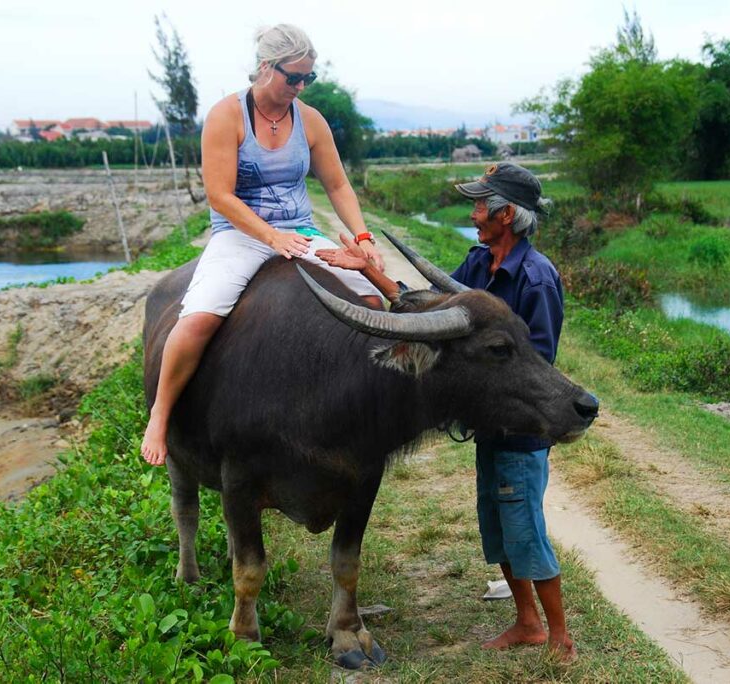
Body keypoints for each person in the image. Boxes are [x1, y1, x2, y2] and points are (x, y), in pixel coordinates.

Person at [316, 162, 575, 660]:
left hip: (519, 424)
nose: (474, 212)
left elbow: (537, 363)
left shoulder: (537, 279)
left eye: (481, 204)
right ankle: (527, 622)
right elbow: (428, 310)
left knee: (526, 530)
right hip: (488, 423)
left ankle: (560, 637)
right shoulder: (480, 264)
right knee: (498, 528)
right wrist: (367, 268)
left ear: (505, 214)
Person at [141, 24, 386, 466]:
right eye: (292, 77)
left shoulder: (310, 119)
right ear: (265, 67)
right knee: (197, 319)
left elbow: (337, 184)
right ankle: (161, 413)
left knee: (368, 296)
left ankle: (357, 402)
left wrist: (363, 236)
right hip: (240, 235)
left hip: (301, 233)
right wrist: (271, 237)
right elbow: (220, 195)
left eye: (307, 78)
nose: (299, 86)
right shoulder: (226, 116)